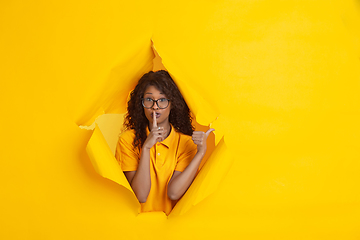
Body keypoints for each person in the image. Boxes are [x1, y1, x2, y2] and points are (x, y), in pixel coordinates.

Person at [115, 70, 214, 215]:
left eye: (162, 100)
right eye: (149, 100)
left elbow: (174, 193)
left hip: (172, 230)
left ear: (172, 104)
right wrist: (146, 148)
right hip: (135, 228)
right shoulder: (127, 140)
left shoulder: (186, 143)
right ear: (141, 103)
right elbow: (140, 195)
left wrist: (200, 154)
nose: (155, 106)